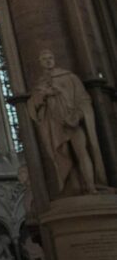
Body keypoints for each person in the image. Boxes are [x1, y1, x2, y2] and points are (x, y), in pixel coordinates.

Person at [27, 49, 107, 195]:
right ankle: (71, 188)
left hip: (72, 120)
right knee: (63, 156)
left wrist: (77, 115)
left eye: (50, 58)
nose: (48, 61)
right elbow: (33, 107)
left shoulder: (70, 77)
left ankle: (91, 186)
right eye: (44, 59)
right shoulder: (40, 84)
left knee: (82, 152)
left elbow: (83, 99)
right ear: (40, 63)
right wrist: (43, 96)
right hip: (54, 124)